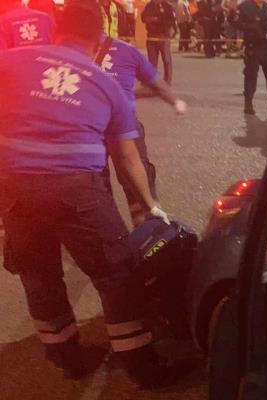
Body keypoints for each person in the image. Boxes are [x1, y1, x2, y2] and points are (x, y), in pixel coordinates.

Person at [0, 0, 175, 387]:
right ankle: (141, 365)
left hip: (13, 188)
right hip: (77, 188)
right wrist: (151, 205)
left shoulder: (10, 62)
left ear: (55, 32)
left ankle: (65, 357)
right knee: (116, 272)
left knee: (38, 273)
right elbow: (128, 157)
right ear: (98, 42)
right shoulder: (106, 84)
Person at [94, 33, 188, 224]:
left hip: (92, 127)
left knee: (98, 185)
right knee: (136, 180)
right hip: (125, 125)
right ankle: (150, 229)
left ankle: (110, 229)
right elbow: (157, 84)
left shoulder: (72, 55)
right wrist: (175, 101)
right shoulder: (127, 50)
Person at [238, 0, 267, 114]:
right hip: (253, 47)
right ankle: (248, 105)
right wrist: (253, 27)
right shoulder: (245, 6)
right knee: (251, 76)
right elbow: (236, 23)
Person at [141, 0, 176, 84]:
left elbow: (171, 20)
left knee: (166, 60)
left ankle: (167, 80)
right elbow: (143, 17)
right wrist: (148, 19)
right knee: (152, 61)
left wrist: (158, 20)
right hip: (151, 36)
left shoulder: (167, 6)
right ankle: (153, 80)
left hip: (163, 36)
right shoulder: (149, 6)